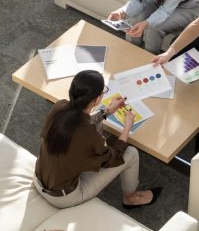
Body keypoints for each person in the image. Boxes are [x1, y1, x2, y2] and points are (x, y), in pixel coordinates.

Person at [33, 70, 162, 209]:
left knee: (97, 125)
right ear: (96, 100)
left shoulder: (60, 106)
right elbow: (113, 158)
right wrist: (127, 127)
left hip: (40, 179)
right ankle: (130, 198)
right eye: (103, 92)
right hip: (63, 197)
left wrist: (105, 112)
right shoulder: (89, 134)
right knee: (131, 153)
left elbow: (82, 123)